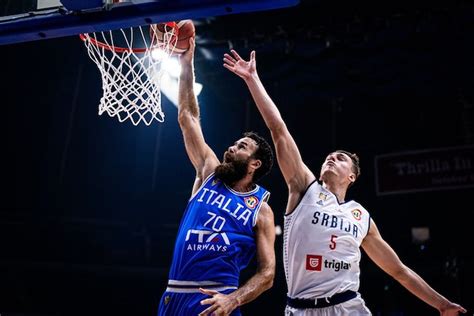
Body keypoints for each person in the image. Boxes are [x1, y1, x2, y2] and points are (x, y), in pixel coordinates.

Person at [223, 49, 467, 316]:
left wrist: (442, 305)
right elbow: (278, 128)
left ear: (352, 176)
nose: (331, 159)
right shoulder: (304, 187)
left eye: (340, 159)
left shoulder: (361, 216)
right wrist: (252, 79)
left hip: (348, 306)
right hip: (300, 309)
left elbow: (398, 270)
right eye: (329, 156)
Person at [157, 38, 276, 316]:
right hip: (173, 296)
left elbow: (268, 274)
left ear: (255, 164)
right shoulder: (209, 173)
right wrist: (187, 62)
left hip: (215, 300)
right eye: (234, 144)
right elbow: (188, 117)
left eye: (242, 147)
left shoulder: (262, 209)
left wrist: (233, 300)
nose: (232, 147)